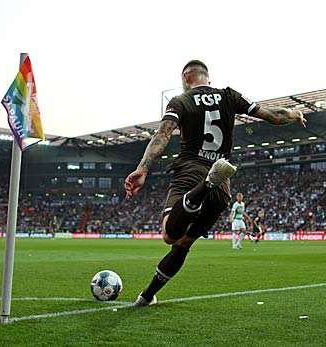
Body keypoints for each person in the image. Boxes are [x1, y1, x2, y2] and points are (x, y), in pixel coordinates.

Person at [124, 60, 307, 307]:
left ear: (186, 79)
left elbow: (163, 134)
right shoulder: (229, 96)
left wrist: (142, 168)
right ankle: (147, 296)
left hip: (191, 171)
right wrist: (295, 114)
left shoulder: (181, 101)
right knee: (183, 245)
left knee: (170, 235)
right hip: (223, 185)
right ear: (207, 78)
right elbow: (274, 116)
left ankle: (201, 188)